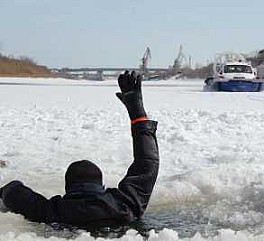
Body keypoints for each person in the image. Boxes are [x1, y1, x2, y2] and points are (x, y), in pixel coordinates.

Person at [0, 71, 159, 227]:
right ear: (102, 188)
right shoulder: (125, 206)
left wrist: (5, 191)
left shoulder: (49, 212)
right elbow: (147, 163)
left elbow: (14, 191)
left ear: (68, 190)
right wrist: (137, 112)